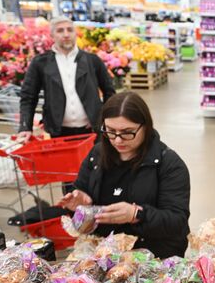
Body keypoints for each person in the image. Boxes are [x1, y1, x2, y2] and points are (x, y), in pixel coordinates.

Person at [59, 92, 191, 258]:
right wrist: (80, 206)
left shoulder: (169, 165)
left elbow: (177, 222)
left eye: (127, 132)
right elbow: (82, 208)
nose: (118, 140)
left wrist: (137, 215)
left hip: (153, 258)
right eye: (111, 131)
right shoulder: (97, 155)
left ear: (146, 126)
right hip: (103, 255)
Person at [18, 16, 115, 141]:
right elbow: (28, 97)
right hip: (58, 132)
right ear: (52, 35)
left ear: (75, 34)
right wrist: (25, 127)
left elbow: (109, 92)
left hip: (92, 131)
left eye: (70, 30)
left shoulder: (92, 60)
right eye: (60, 31)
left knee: (94, 160)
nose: (66, 34)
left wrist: (103, 118)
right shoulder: (40, 63)